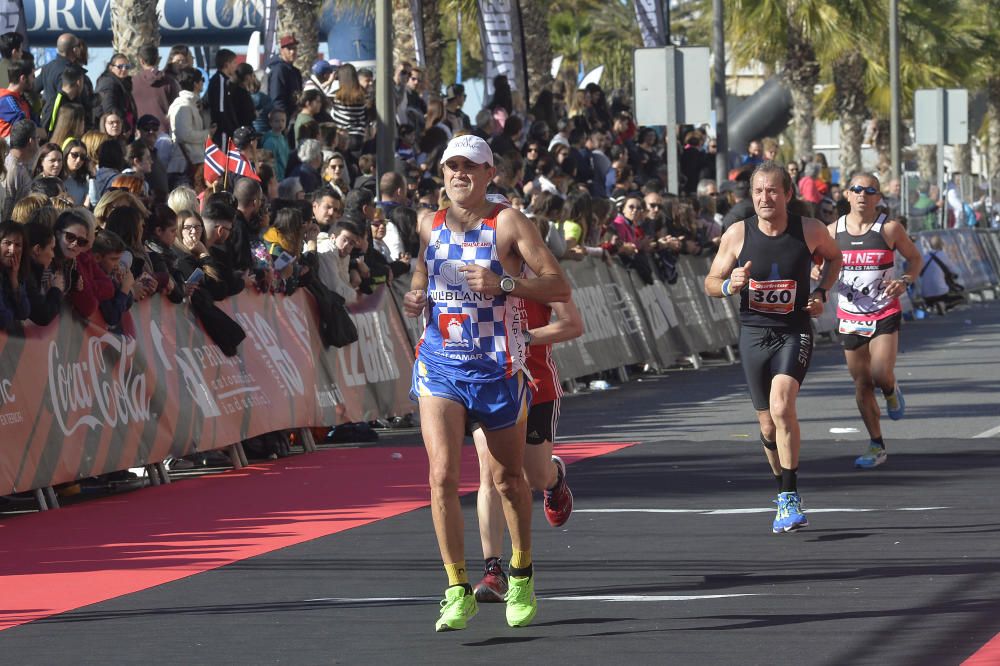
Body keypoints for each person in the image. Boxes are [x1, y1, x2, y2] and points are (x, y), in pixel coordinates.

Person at [402, 134, 571, 631]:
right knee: (441, 476)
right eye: (452, 166)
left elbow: (559, 285)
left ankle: (521, 571)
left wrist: (505, 284)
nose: (459, 174)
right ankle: (456, 588)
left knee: (508, 481)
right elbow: (421, 273)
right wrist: (416, 296)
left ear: (488, 174)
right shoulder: (427, 224)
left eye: (470, 167)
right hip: (439, 366)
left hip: (497, 369)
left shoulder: (510, 223)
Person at [704, 161, 843, 534]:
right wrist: (730, 284)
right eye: (758, 191)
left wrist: (821, 292)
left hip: (793, 330)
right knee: (766, 424)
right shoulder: (737, 233)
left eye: (772, 190)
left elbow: (835, 257)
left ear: (788, 194)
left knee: (783, 406)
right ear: (751, 196)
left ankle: (790, 495)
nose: (765, 197)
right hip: (753, 334)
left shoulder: (809, 229)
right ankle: (781, 490)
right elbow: (710, 282)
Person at [471, 295, 582, 602]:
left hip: (536, 384)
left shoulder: (538, 268)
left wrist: (525, 337)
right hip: (489, 382)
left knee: (534, 476)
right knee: (490, 472)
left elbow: (573, 324)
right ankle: (493, 571)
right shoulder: (471, 260)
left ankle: (554, 478)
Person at [825, 174, 922, 469]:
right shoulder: (832, 231)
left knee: (880, 373)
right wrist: (818, 276)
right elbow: (820, 263)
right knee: (862, 383)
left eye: (869, 191)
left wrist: (905, 279)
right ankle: (876, 444)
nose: (862, 195)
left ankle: (891, 390)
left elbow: (915, 259)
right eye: (856, 189)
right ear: (847, 194)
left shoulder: (889, 228)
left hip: (884, 312)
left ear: (878, 197)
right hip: (850, 317)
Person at [95, 54, 138, 136]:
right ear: (111, 68)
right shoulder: (108, 82)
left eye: (127, 66)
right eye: (120, 66)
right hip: (111, 133)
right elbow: (109, 107)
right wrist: (124, 125)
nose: (124, 69)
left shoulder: (123, 83)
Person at [0, 221, 30, 331]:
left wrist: (14, 280)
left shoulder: (16, 272)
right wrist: (13, 314)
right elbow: (3, 319)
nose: (12, 250)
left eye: (17, 245)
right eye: (7, 243)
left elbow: (24, 312)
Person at [266, 35, 303, 118]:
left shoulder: (295, 71)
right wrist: (283, 120)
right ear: (282, 50)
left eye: (294, 48)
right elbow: (276, 98)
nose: (293, 52)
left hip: (294, 116)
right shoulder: (279, 70)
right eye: (289, 49)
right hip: (283, 119)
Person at [0, 59, 36, 138]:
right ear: (23, 78)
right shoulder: (5, 100)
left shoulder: (21, 99)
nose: (34, 79)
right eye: (32, 76)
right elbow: (25, 126)